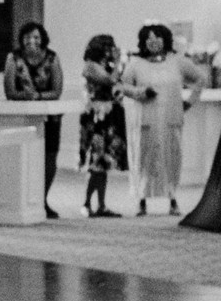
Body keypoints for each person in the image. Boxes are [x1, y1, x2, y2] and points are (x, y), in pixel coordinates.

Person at [118, 23, 201, 216]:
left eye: (157, 38)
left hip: (171, 119)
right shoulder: (136, 64)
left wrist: (189, 102)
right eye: (148, 38)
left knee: (171, 158)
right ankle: (141, 200)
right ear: (143, 42)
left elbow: (200, 78)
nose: (153, 42)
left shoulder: (177, 61)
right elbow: (122, 86)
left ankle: (172, 199)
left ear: (165, 39)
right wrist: (140, 92)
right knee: (144, 158)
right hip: (145, 120)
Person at [3, 21, 66, 218]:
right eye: (28, 37)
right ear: (22, 39)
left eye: (36, 37)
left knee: (49, 157)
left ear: (43, 39)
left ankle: (43, 199)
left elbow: (57, 91)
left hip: (49, 116)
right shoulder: (13, 58)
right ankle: (24, 200)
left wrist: (38, 96)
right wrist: (26, 96)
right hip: (22, 116)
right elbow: (10, 91)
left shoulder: (52, 58)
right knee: (24, 158)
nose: (32, 41)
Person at [79, 34, 127, 218]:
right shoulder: (90, 65)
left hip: (109, 116)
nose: (111, 50)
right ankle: (86, 203)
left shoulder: (107, 64)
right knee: (96, 162)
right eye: (107, 47)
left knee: (104, 162)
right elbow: (109, 80)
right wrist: (116, 60)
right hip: (96, 118)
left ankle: (101, 204)